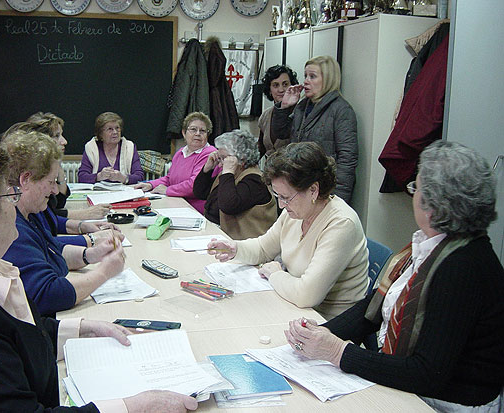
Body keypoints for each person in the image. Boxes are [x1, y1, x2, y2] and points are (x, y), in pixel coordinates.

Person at [0, 133, 198, 412]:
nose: (16, 205)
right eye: (10, 196)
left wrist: (84, 328)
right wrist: (134, 407)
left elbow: (22, 334)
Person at [285, 140, 504, 411]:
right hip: (419, 386)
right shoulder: (433, 244)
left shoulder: (464, 267)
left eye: (416, 188)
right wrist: (321, 333)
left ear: (433, 206)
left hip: (448, 402)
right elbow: (374, 307)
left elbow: (427, 373)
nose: (412, 194)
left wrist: (338, 352)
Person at [208, 142, 368, 320]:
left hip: (329, 321)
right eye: (278, 196)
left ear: (313, 190)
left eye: (285, 197)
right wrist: (234, 249)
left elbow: (306, 295)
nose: (281, 205)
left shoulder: (341, 224)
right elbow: (263, 248)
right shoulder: (296, 212)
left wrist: (276, 274)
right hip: (295, 307)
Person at [1, 130, 125, 316]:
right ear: (25, 180)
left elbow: (50, 251)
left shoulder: (30, 213)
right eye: (50, 182)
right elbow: (47, 295)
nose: (53, 191)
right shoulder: (12, 228)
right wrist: (104, 273)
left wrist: (91, 254)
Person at [271, 56, 358, 204]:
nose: (306, 81)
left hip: (323, 190)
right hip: (298, 184)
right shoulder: (302, 105)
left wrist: (338, 199)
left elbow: (347, 159)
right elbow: (281, 133)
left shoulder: (342, 110)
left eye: (312, 76)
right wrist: (284, 107)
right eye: (305, 76)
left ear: (328, 79)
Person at [193, 130, 277, 240]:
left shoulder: (254, 181)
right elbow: (200, 193)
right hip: (217, 234)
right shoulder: (230, 174)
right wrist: (207, 169)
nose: (220, 163)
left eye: (224, 158)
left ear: (241, 157)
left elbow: (228, 206)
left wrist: (227, 172)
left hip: (242, 244)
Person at [26, 112, 111, 221]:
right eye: (57, 136)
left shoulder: (49, 167)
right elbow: (46, 216)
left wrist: (58, 167)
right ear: (42, 140)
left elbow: (60, 203)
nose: (64, 141)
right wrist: (84, 214)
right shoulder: (33, 172)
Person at [135, 112, 216, 214]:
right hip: (175, 202)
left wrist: (167, 190)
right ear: (184, 132)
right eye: (193, 129)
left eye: (203, 131)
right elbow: (169, 178)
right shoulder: (180, 152)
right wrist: (151, 185)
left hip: (195, 209)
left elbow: (194, 186)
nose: (198, 133)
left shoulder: (209, 153)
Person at [78, 112, 144, 184]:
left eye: (117, 128)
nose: (115, 132)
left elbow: (139, 176)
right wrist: (99, 176)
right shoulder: (91, 147)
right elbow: (82, 177)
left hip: (123, 193)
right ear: (100, 134)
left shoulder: (129, 147)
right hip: (99, 193)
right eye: (110, 129)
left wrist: (123, 178)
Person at [258, 65, 299, 160]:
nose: (281, 90)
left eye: (285, 84)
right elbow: (260, 149)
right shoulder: (265, 115)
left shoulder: (300, 113)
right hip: (270, 171)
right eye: (275, 85)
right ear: (269, 90)